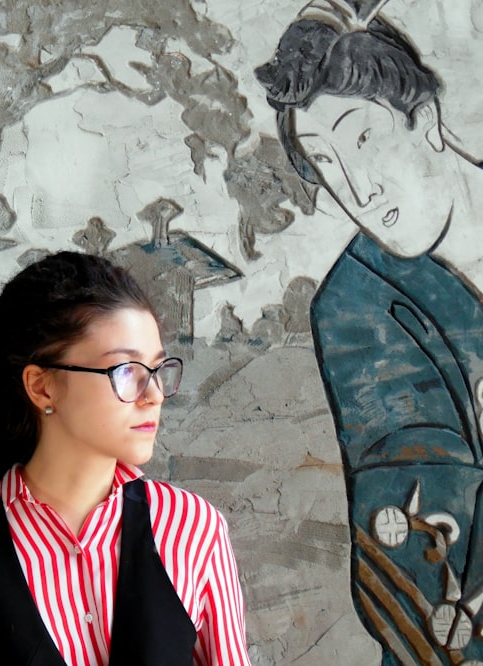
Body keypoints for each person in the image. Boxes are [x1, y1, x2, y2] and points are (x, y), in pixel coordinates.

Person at [0, 251, 250, 665]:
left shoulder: (192, 529)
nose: (154, 395)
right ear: (42, 388)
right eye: (127, 371)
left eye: (158, 369)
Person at [256, 1, 483, 663]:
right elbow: (413, 535)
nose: (356, 186)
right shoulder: (358, 305)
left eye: (361, 139)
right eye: (326, 163)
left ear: (428, 121)